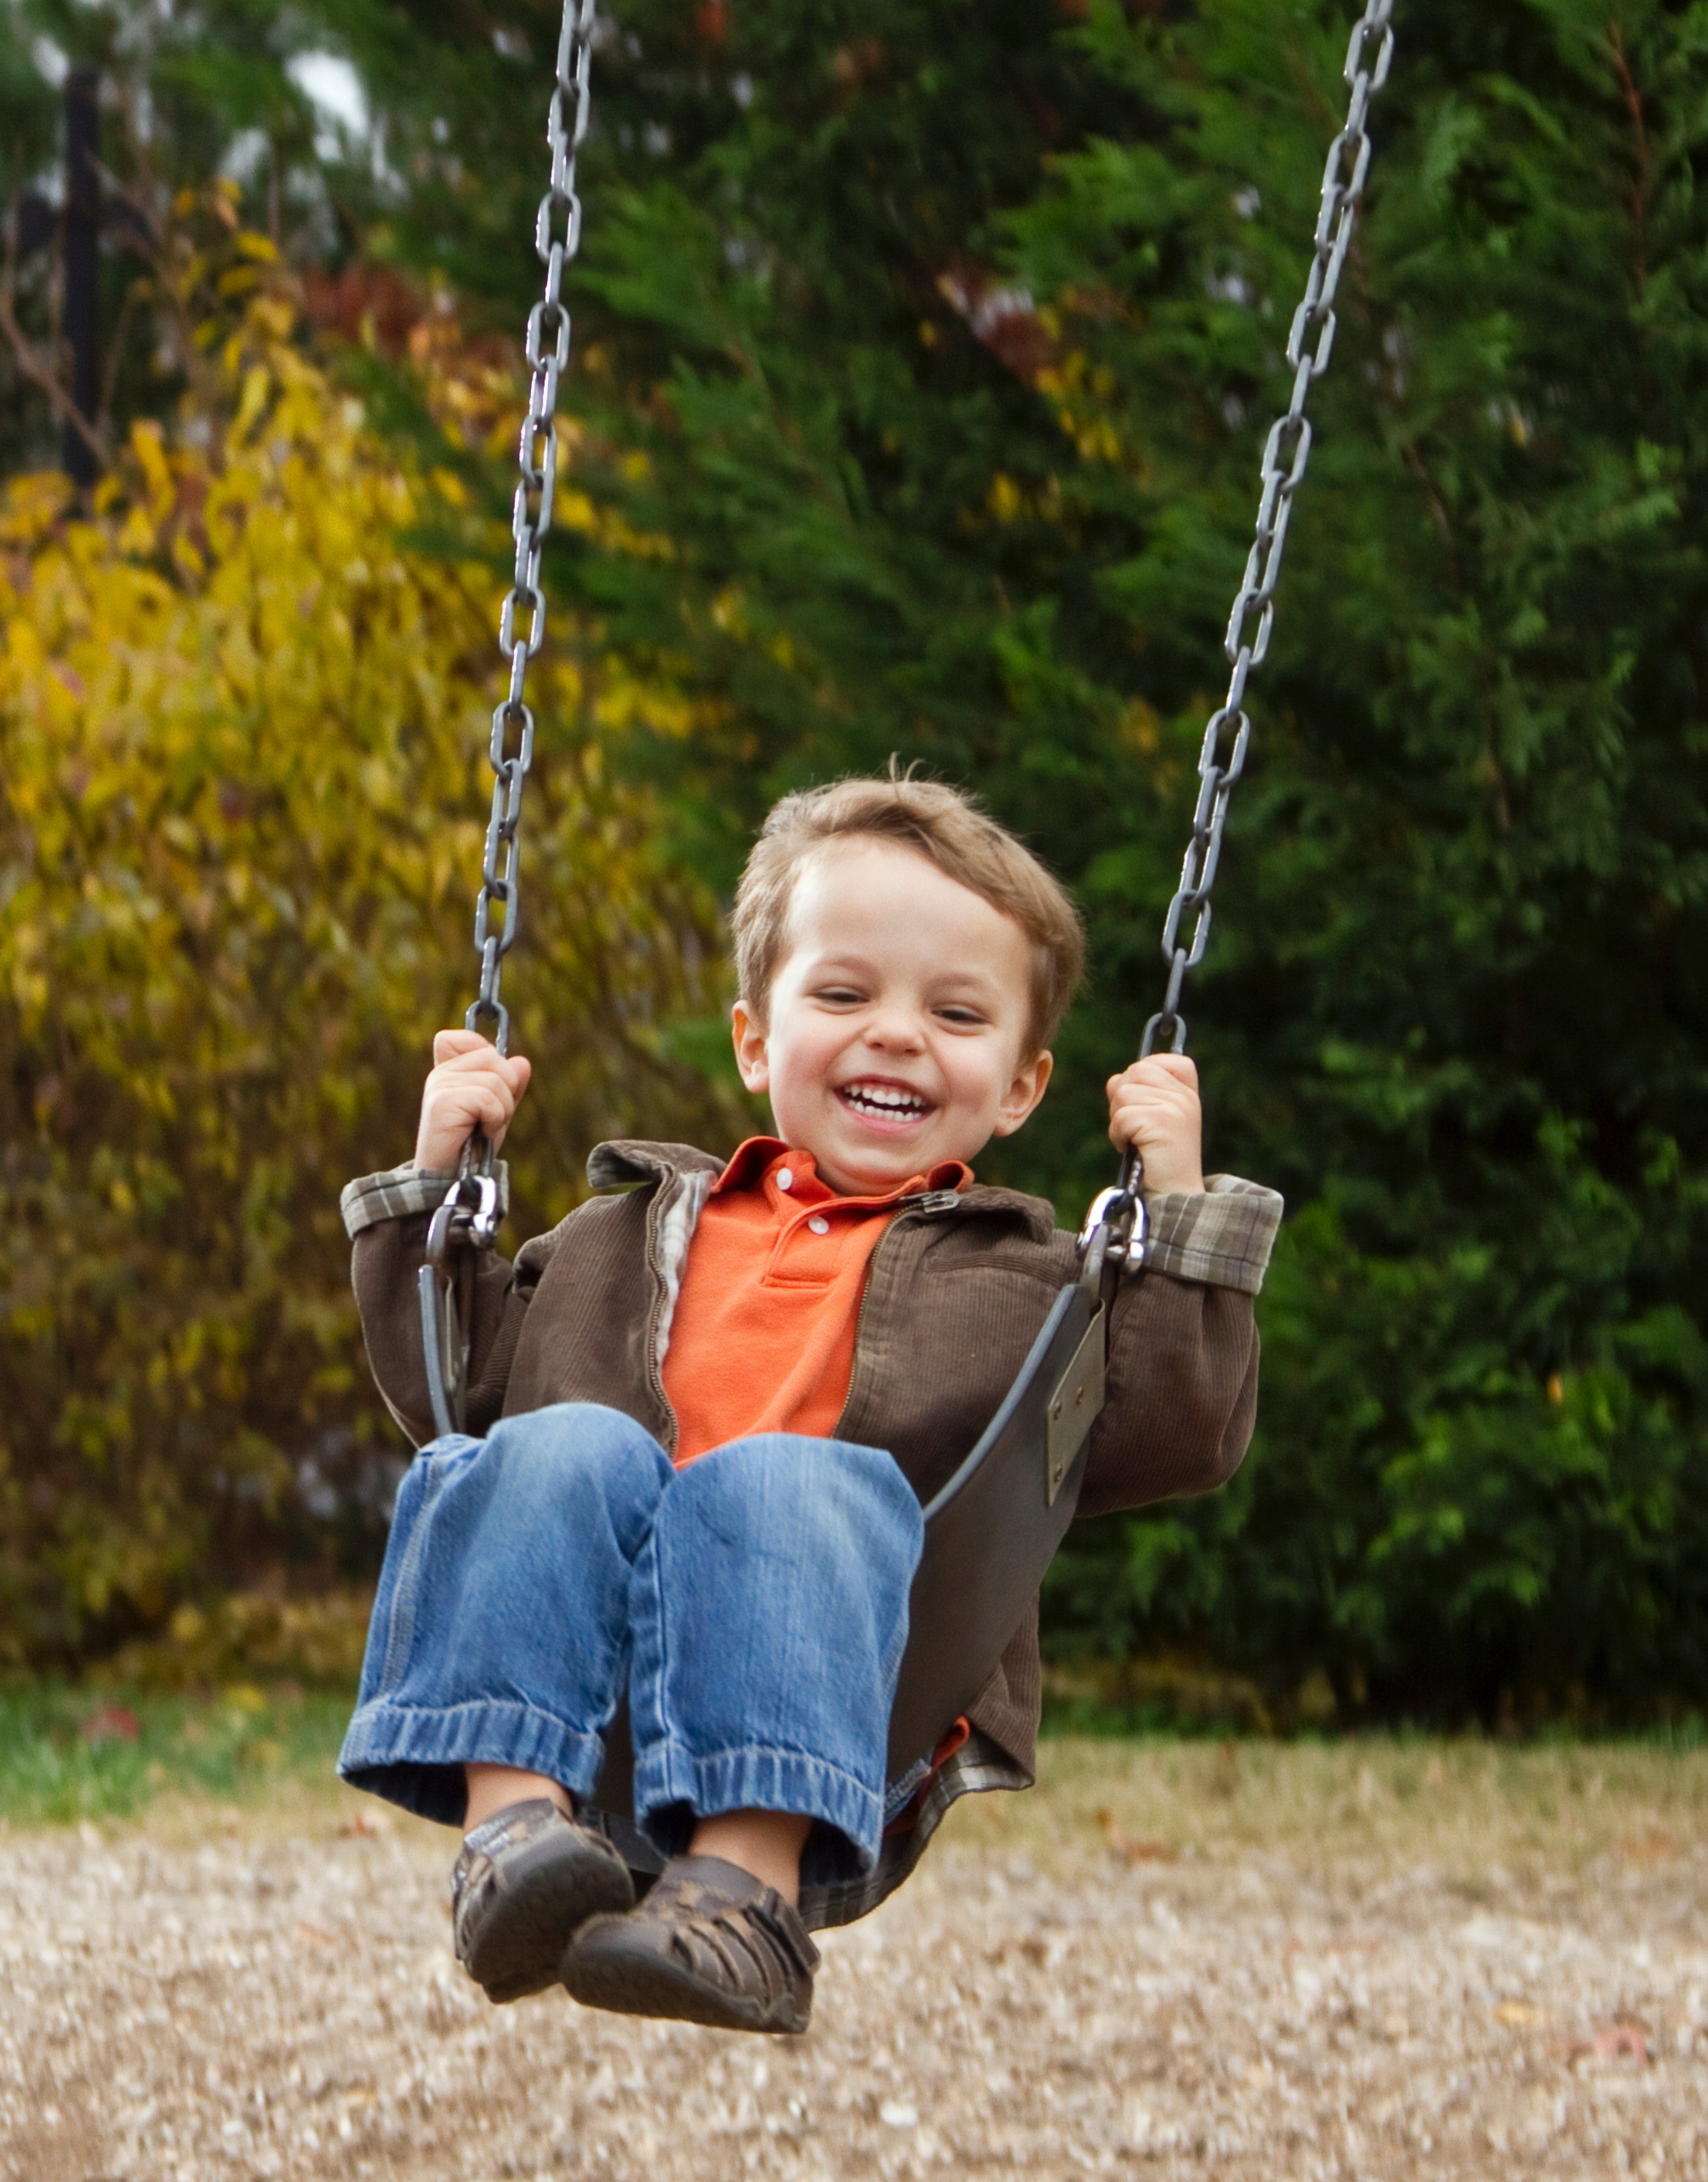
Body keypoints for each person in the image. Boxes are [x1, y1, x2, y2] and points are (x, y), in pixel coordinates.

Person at [335, 774, 1281, 2033]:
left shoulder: (1030, 1285)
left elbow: (1174, 1427)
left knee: (783, 1478)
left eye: (955, 1011)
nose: (895, 1033)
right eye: (843, 994)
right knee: (550, 1448)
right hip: (596, 1661)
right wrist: (434, 1189)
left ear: (1020, 1087)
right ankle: (515, 1839)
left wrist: (1173, 1213)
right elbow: (453, 1389)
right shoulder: (614, 1235)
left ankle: (743, 1901)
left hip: (845, 1678)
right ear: (753, 1038)